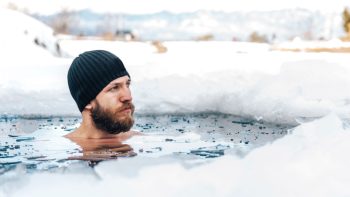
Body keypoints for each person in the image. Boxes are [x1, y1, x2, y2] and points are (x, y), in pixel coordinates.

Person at [65, 50, 138, 140]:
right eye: (114, 88)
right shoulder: (59, 149)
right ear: (88, 101)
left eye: (127, 84)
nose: (128, 97)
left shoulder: (141, 141)